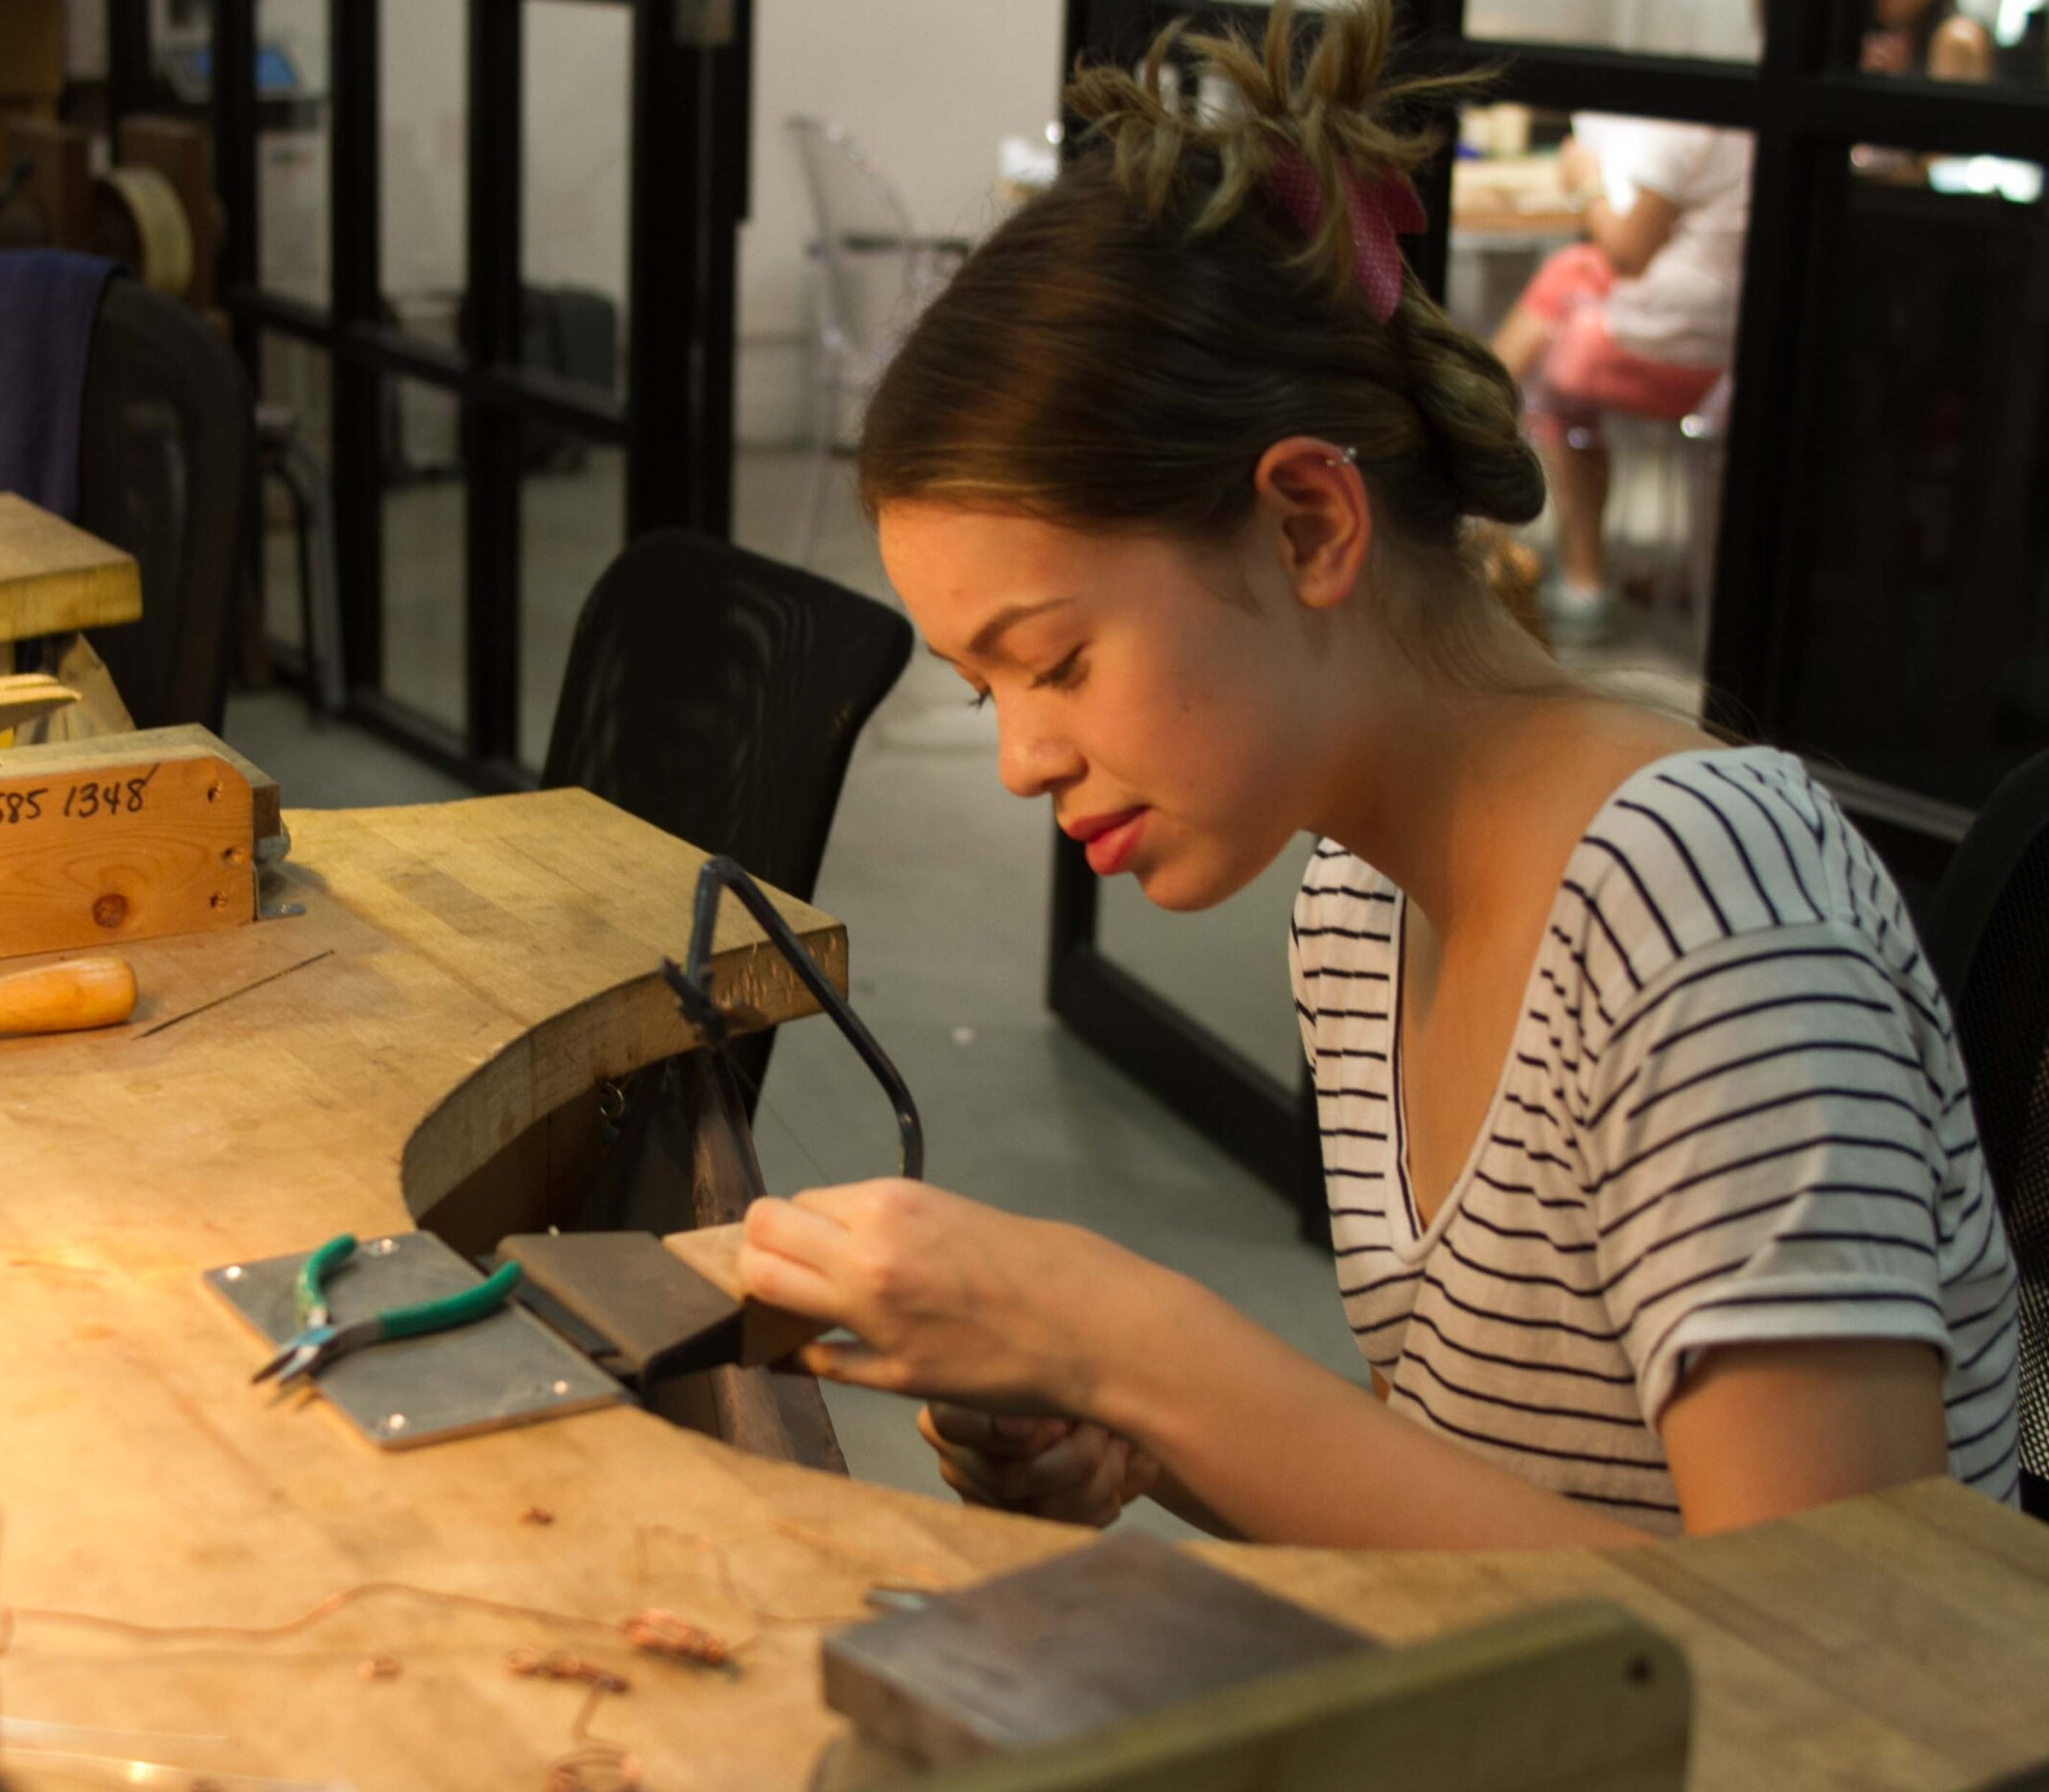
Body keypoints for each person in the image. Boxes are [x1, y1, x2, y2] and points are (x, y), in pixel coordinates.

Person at [734, 1, 2017, 1547]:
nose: (1022, 761)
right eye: (985, 689)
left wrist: (1134, 1345)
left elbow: (1840, 1669)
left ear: (1309, 527)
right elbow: (1502, 1513)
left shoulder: (1703, 909)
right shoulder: (1358, 901)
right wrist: (1146, 1434)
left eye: (1057, 661)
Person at [1489, 117, 1752, 638]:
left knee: (1558, 365)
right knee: (1572, 276)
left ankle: (1577, 575)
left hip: (1684, 347)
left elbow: (1628, 253)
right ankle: (1472, 419)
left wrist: (1584, 179)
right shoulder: (1753, 124)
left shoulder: (1691, 130)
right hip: (1734, 335)